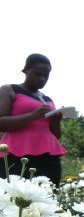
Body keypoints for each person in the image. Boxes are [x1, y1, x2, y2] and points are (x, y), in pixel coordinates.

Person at [0, 54, 67, 185]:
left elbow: (55, 136)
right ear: (25, 71)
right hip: (16, 155)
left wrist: (56, 121)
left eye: (46, 75)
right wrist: (32, 116)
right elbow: (1, 123)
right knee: (13, 199)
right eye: (37, 74)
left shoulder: (47, 99)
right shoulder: (9, 90)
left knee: (48, 198)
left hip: (49, 158)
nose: (42, 79)